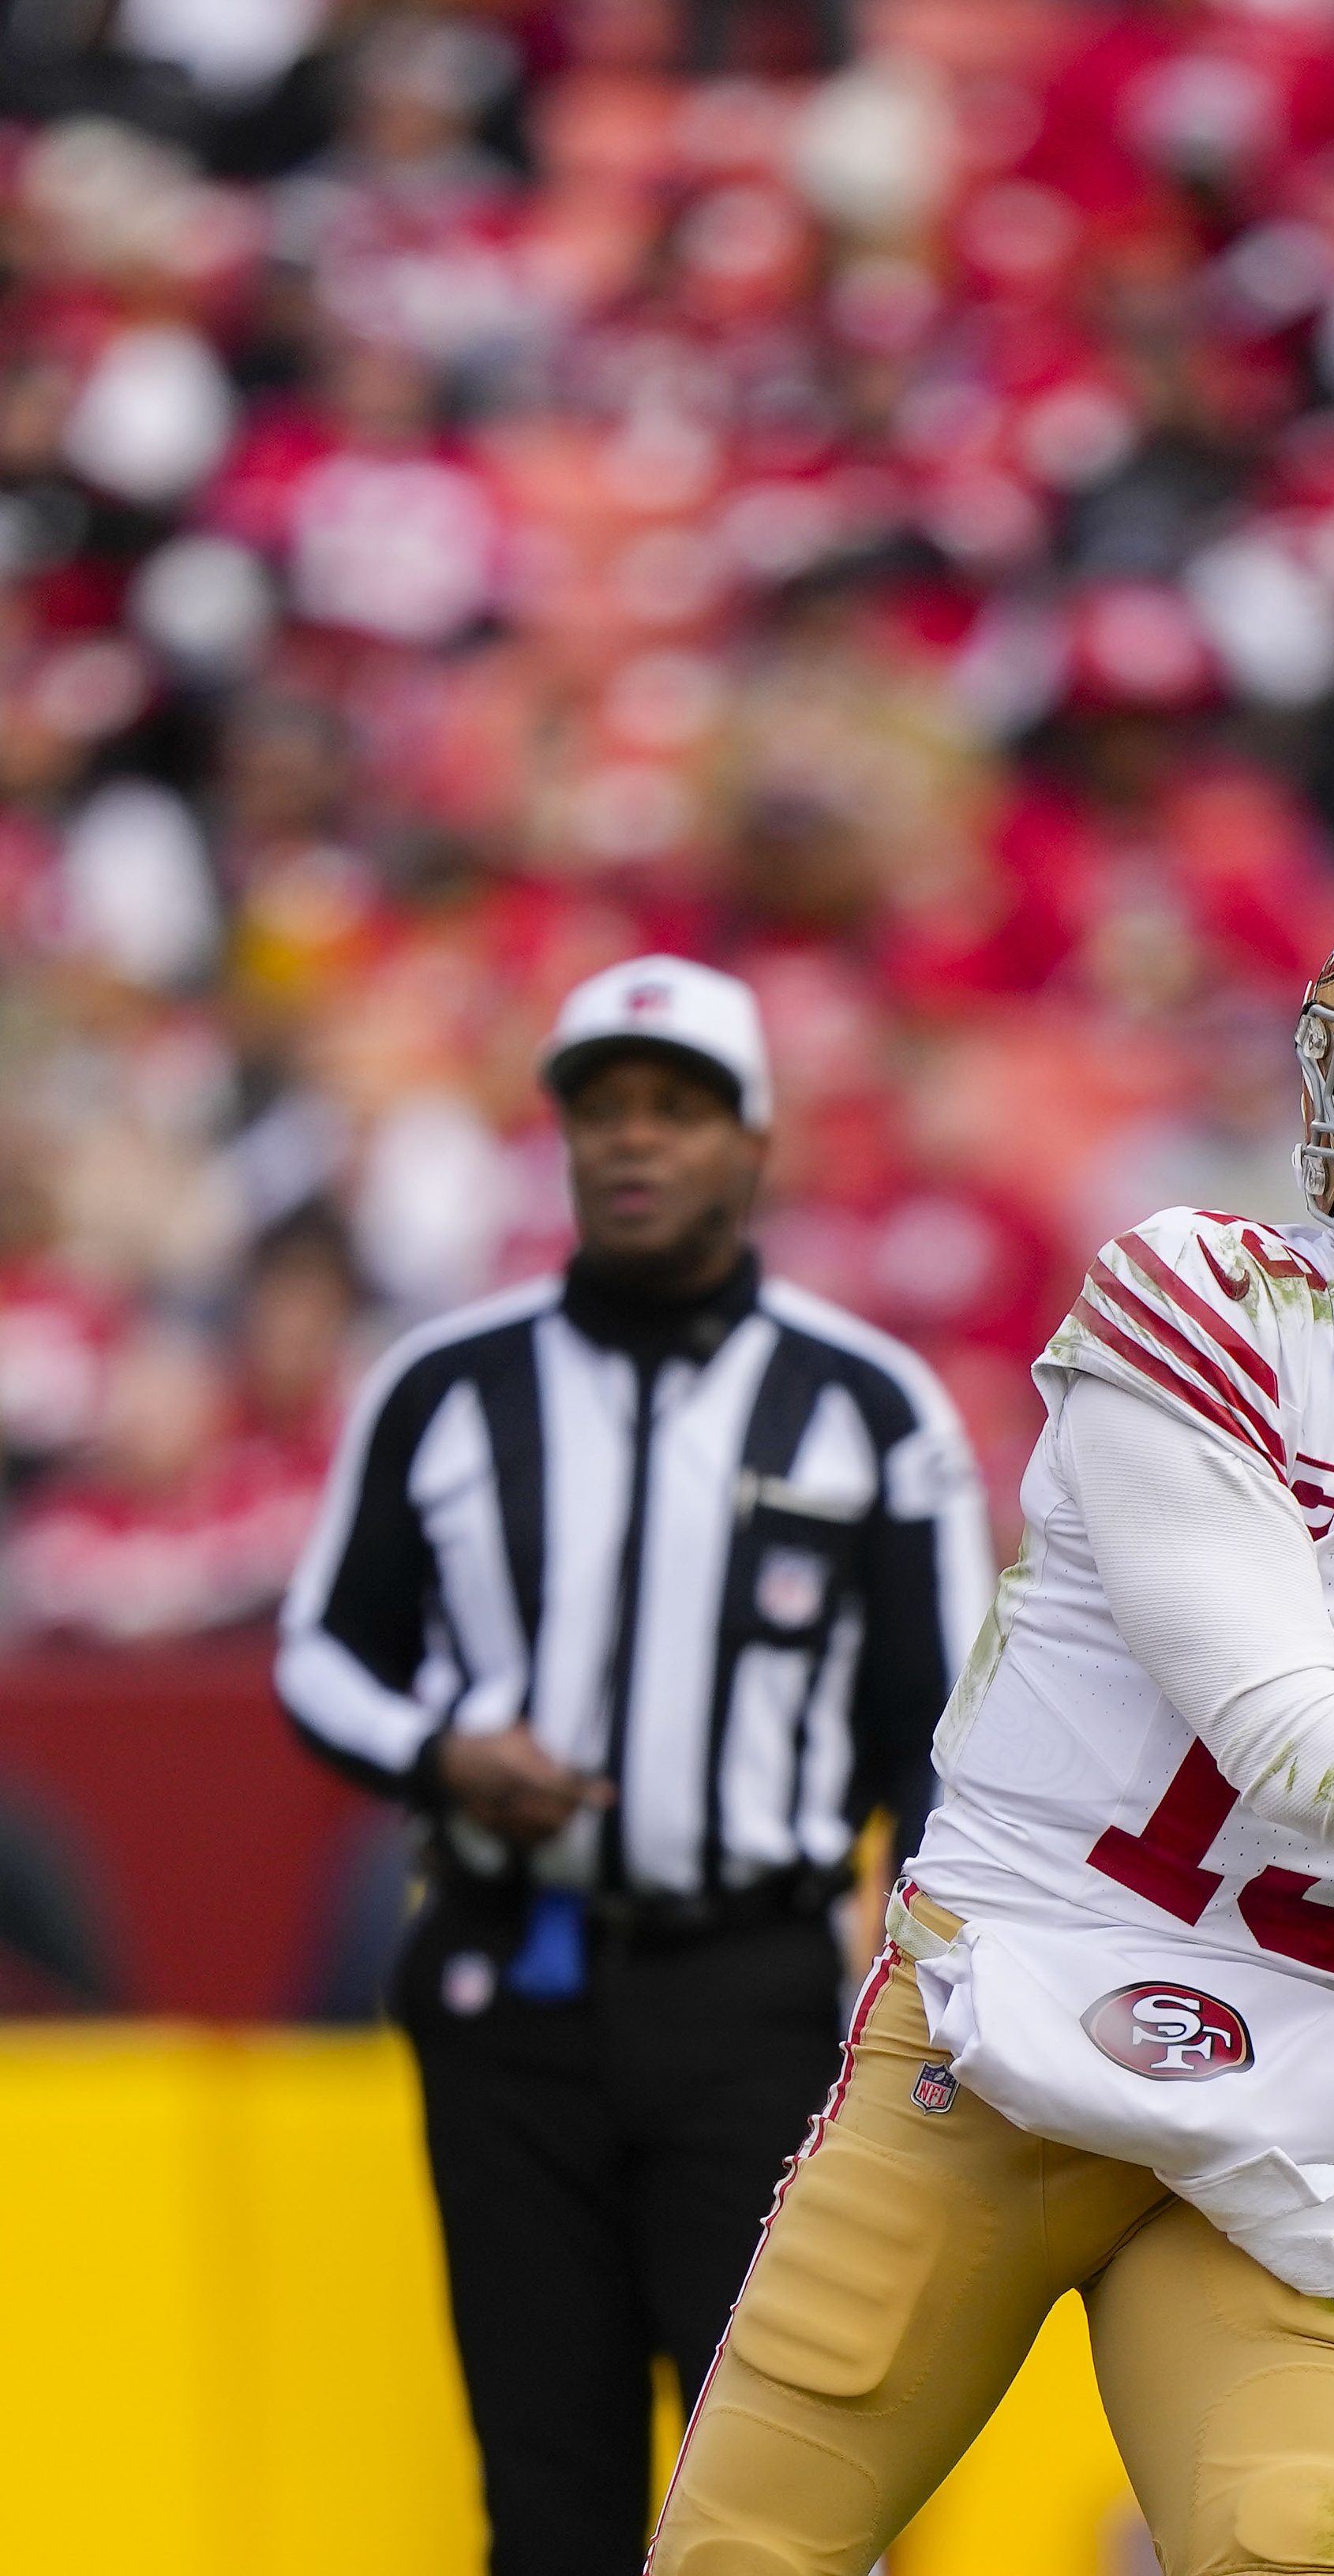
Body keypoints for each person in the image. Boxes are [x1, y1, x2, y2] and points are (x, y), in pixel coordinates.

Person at [651, 871, 1334, 2574]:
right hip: (997, 2019)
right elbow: (1280, 1732)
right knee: (748, 2557)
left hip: (1276, 2086)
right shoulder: (1204, 1300)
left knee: (1295, 2541)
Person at [279, 956, 990, 2576]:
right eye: (602, 1109)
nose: (635, 1142)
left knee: (784, 2487)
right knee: (546, 2488)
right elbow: (324, 1652)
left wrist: (919, 2007)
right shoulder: (448, 1388)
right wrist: (439, 1755)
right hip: (503, 1988)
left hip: (754, 1991)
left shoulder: (866, 1407)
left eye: (677, 1108)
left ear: (755, 1143)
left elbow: (939, 1746)